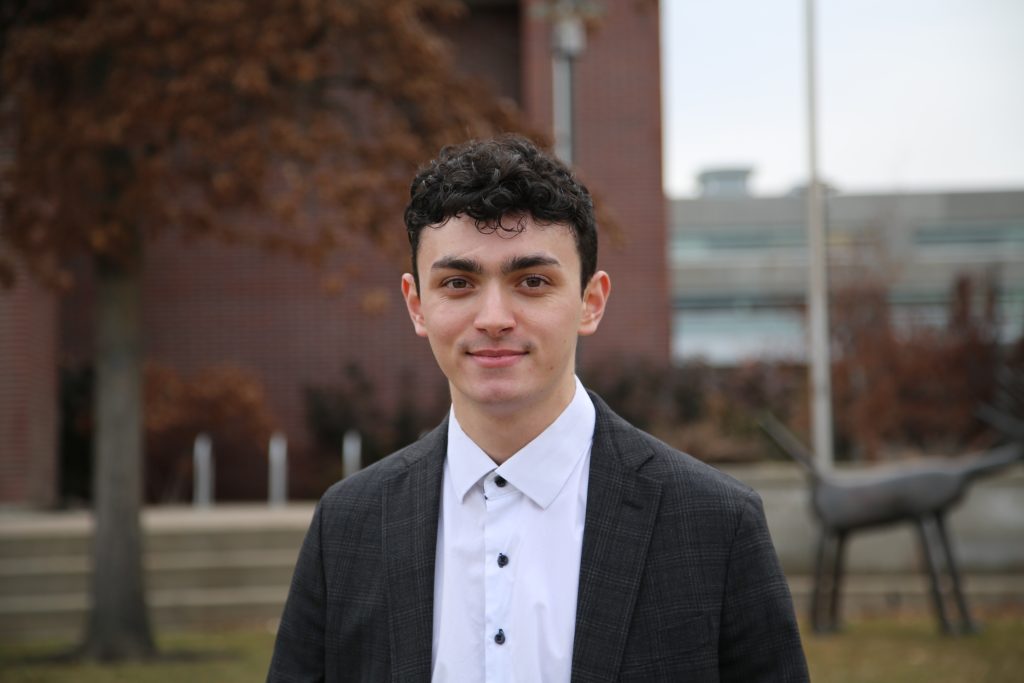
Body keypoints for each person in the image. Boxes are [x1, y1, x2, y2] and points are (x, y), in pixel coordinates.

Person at [268, 134, 809, 682]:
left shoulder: (715, 524)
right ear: (417, 305)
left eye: (532, 281)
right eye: (458, 283)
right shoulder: (348, 525)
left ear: (590, 302)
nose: (494, 317)